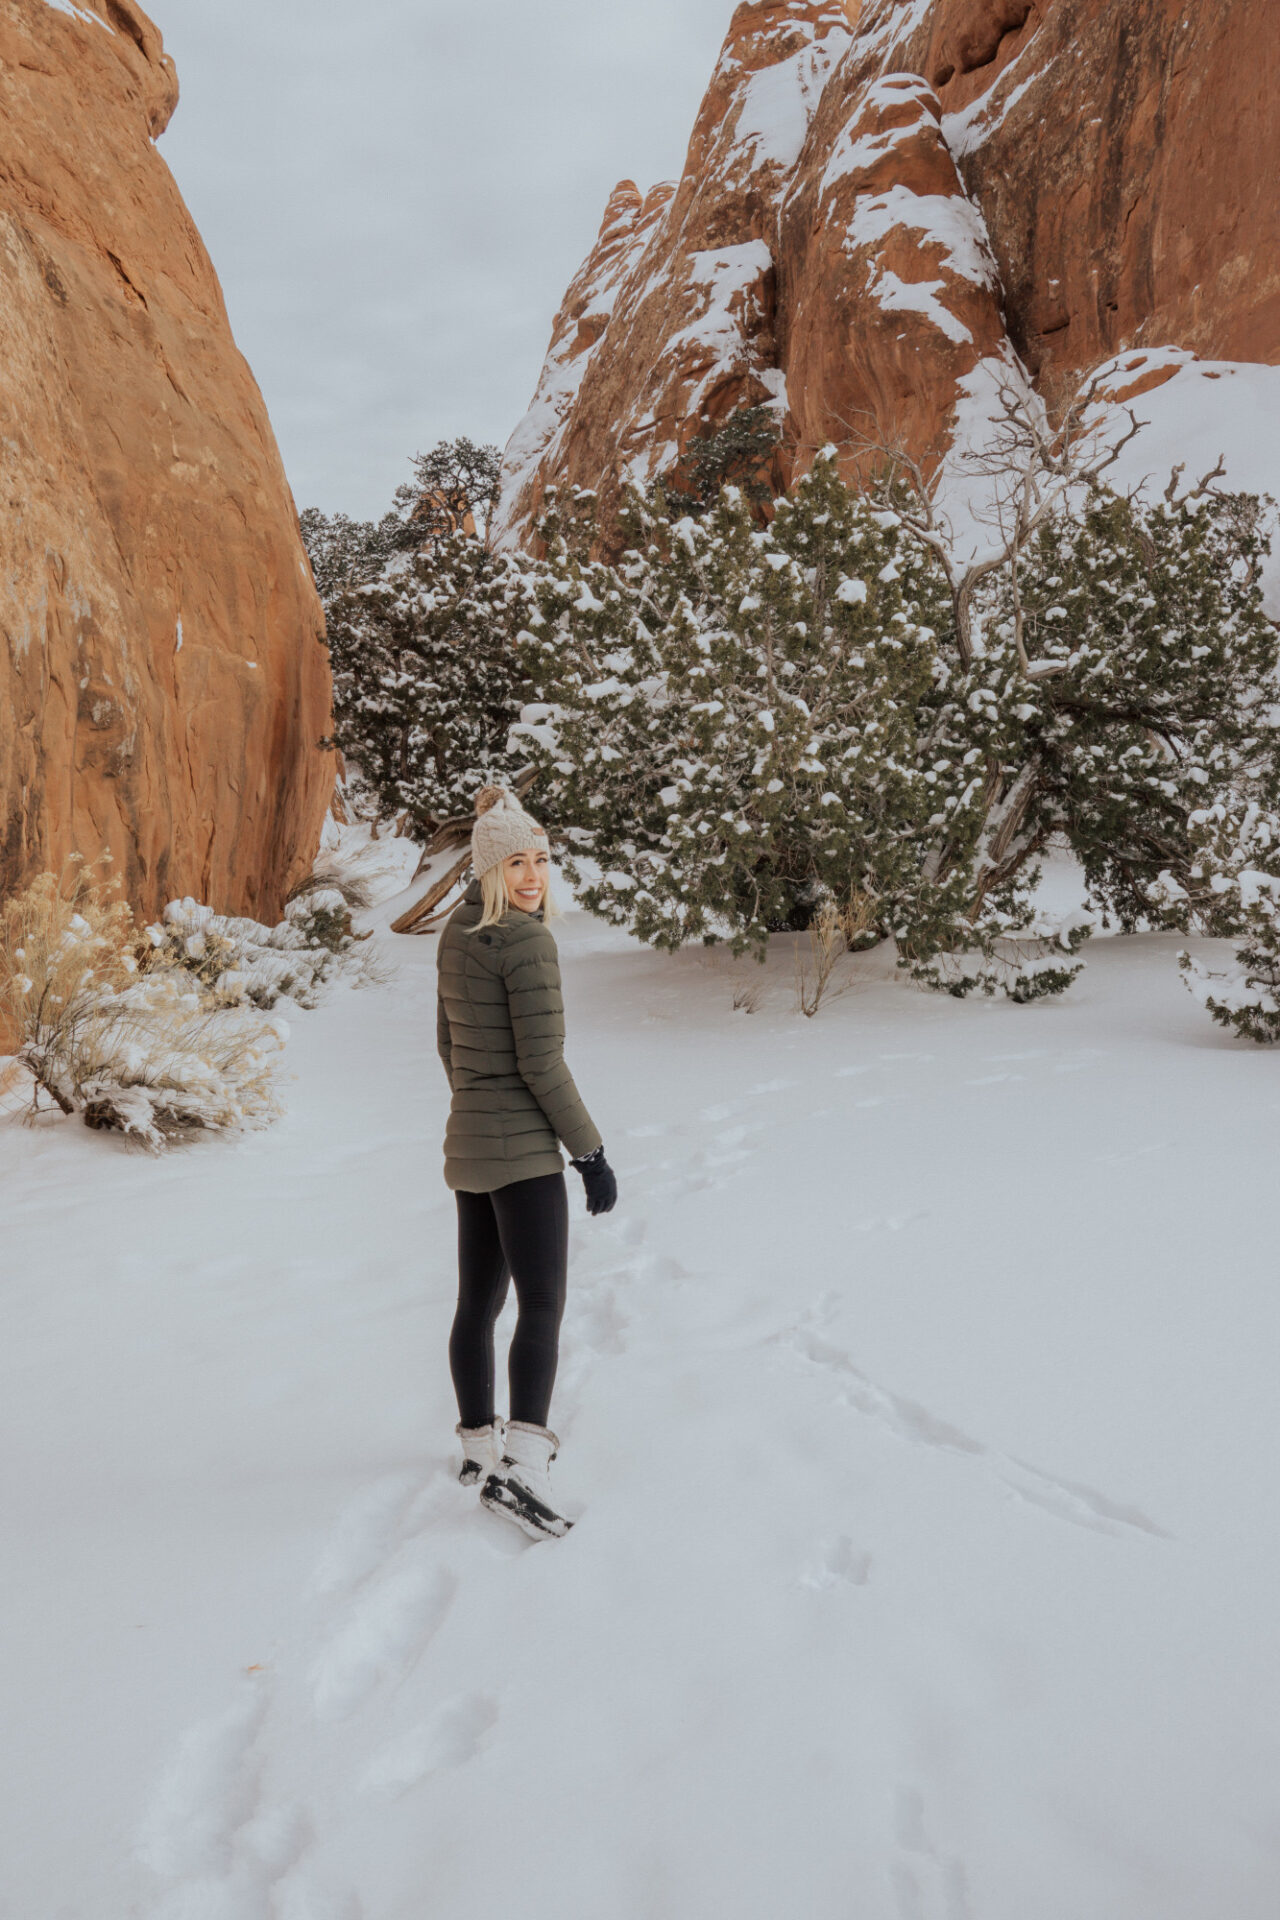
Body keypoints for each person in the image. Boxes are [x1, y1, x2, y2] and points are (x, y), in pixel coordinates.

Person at [435, 785, 617, 1540]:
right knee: (541, 1304)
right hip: (523, 1155)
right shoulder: (527, 941)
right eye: (515, 862)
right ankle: (525, 1468)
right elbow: (544, 1066)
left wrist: (478, 1109)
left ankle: (476, 1446)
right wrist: (591, 1153)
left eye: (540, 859)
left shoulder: (456, 933)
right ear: (488, 870)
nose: (533, 875)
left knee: (478, 1301)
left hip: (468, 1144)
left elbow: (447, 1045)